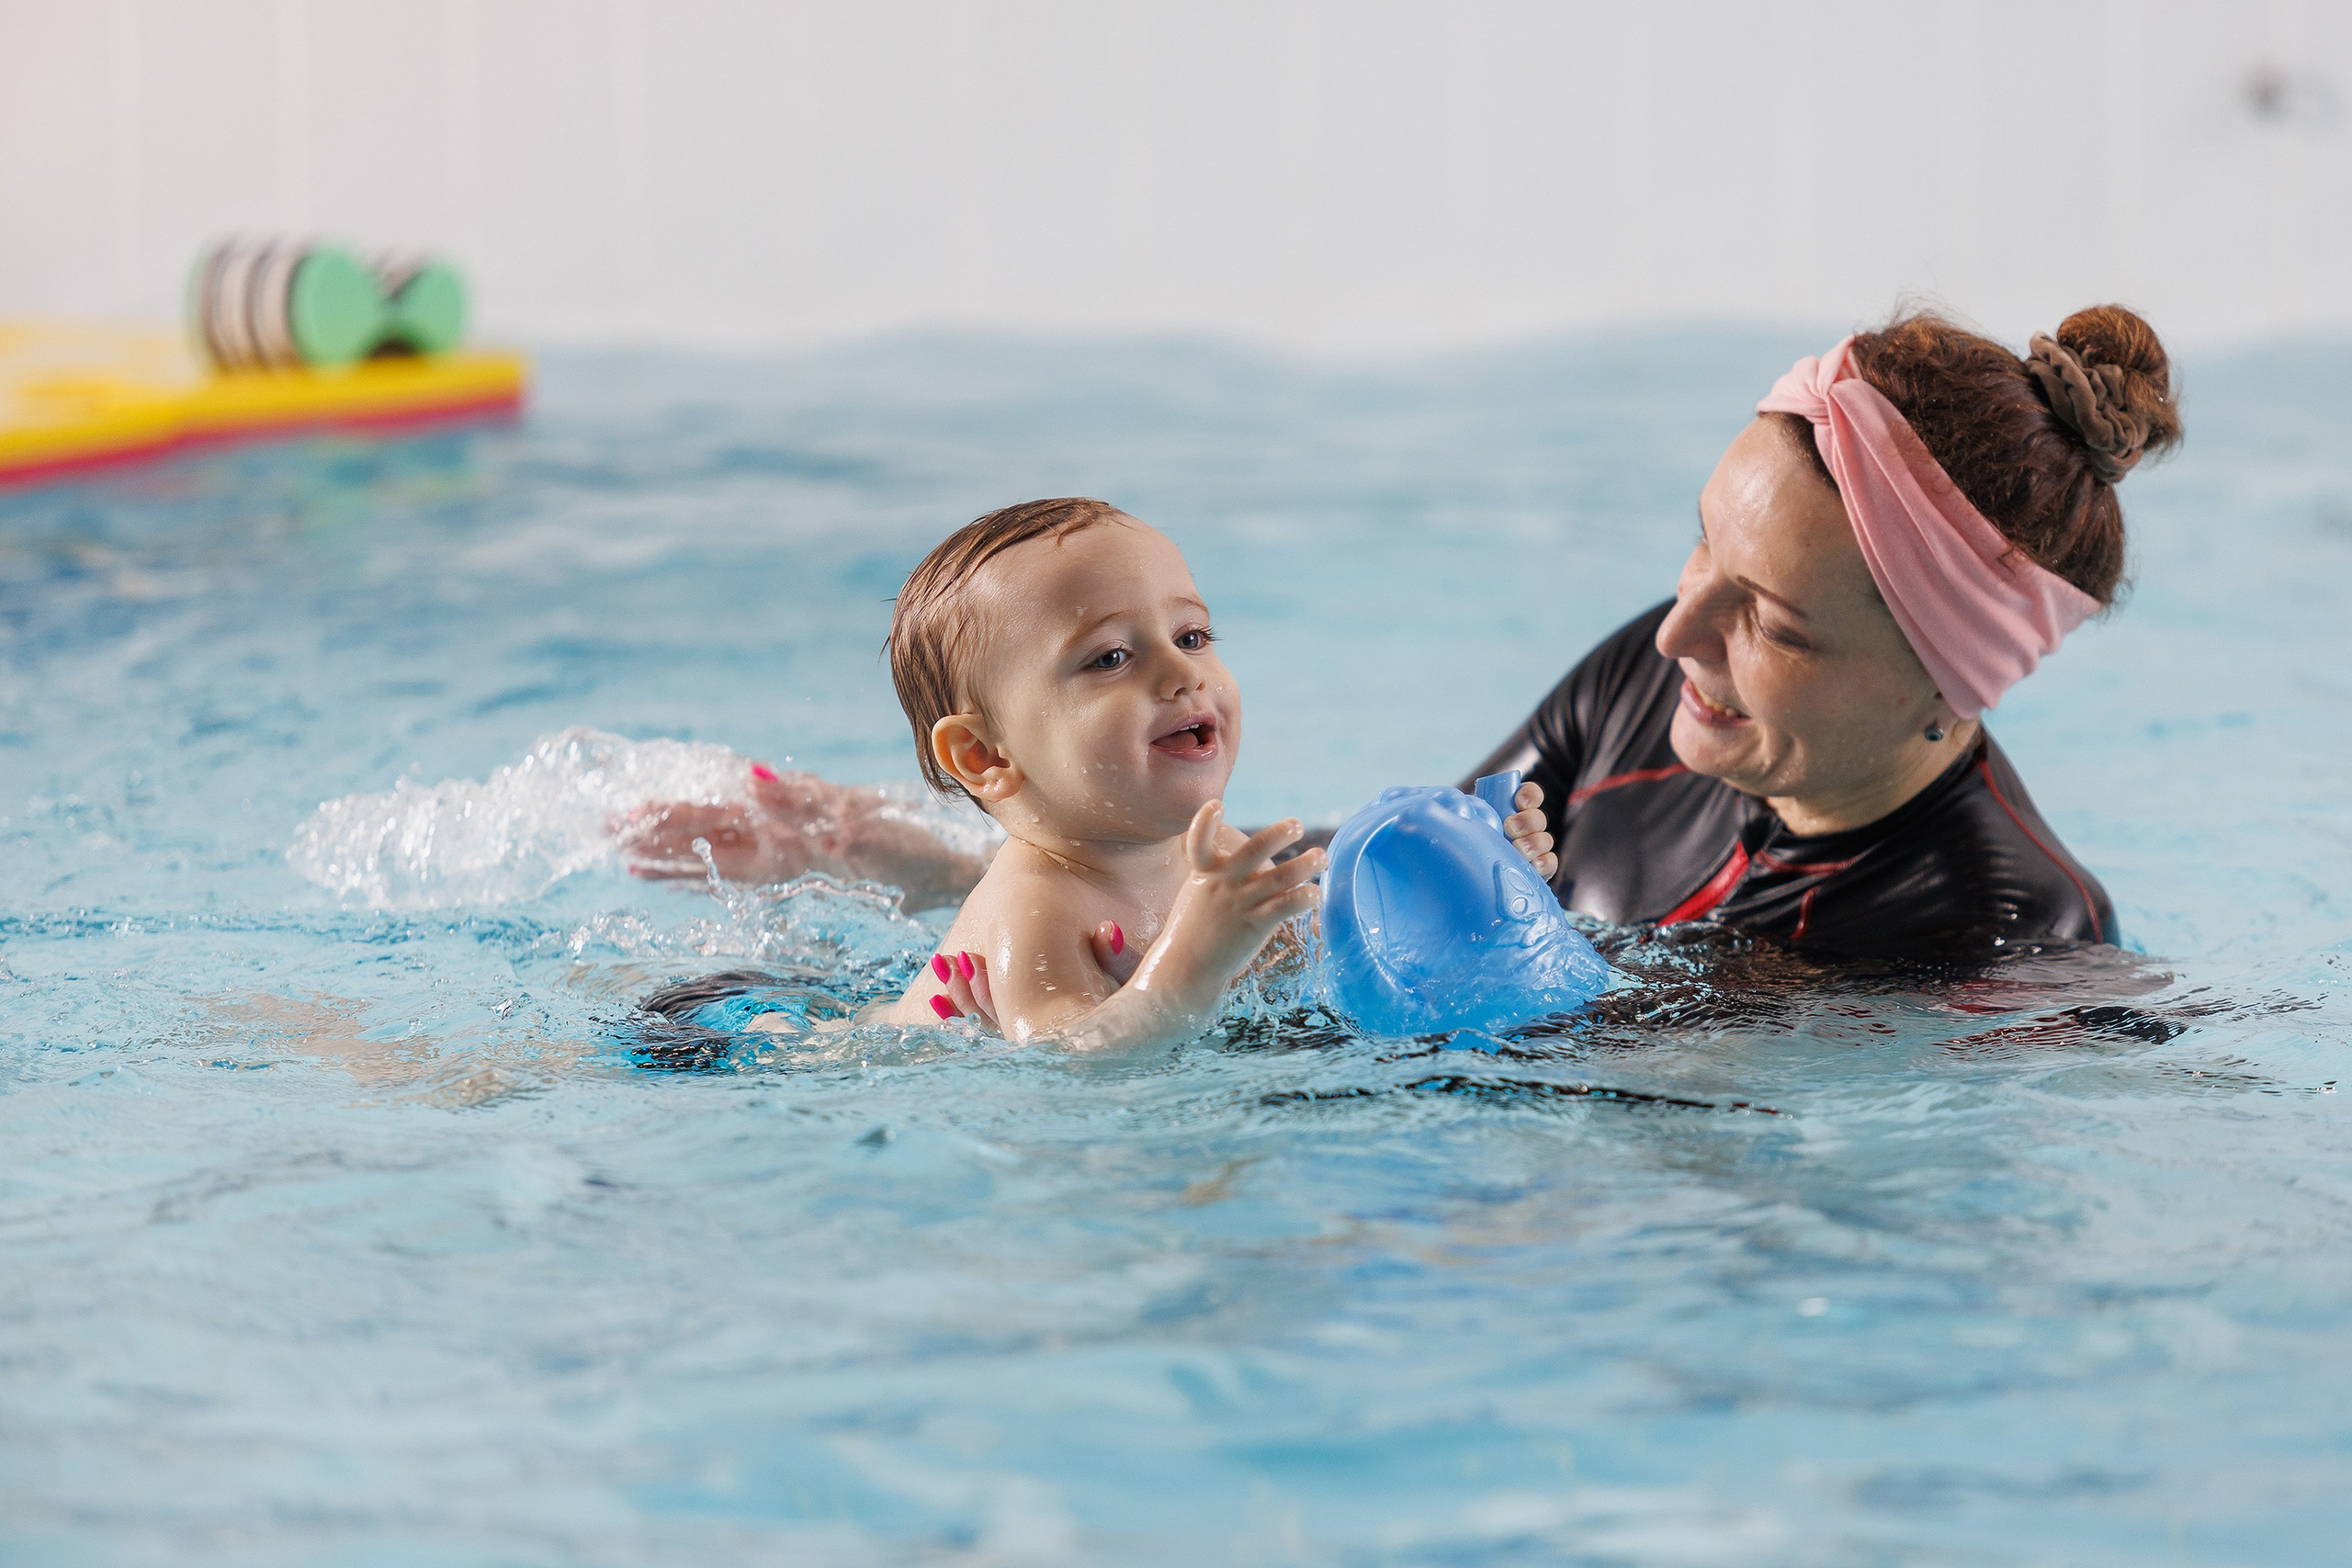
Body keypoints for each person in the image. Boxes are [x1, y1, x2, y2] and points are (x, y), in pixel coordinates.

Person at [626, 306, 2180, 963]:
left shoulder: (2007, 943)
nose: (1678, 627)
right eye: (1700, 544)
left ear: (1946, 683)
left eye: (1764, 617)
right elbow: (1314, 929)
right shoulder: (1661, 679)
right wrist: (910, 849)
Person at [853, 497, 1328, 1046]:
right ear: (987, 756)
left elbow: (1307, 964)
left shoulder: (1215, 850)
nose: (1182, 673)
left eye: (1191, 638)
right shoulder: (1036, 902)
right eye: (1110, 658)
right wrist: (1190, 965)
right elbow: (1068, 1062)